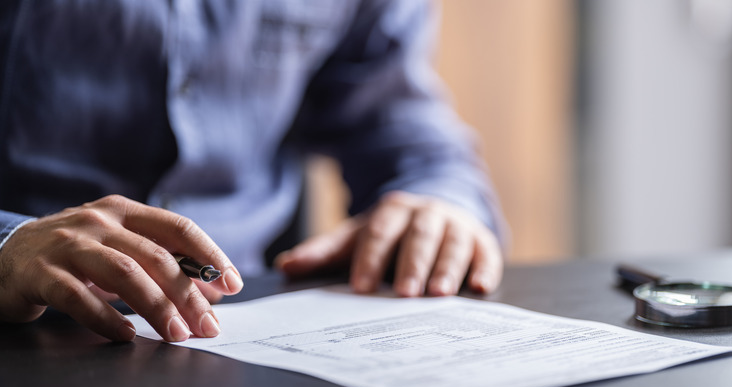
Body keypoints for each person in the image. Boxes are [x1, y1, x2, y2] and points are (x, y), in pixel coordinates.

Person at [0, 0, 506, 343]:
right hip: (24, 330)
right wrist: (10, 243)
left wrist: (440, 199)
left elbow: (399, 118)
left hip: (243, 334)